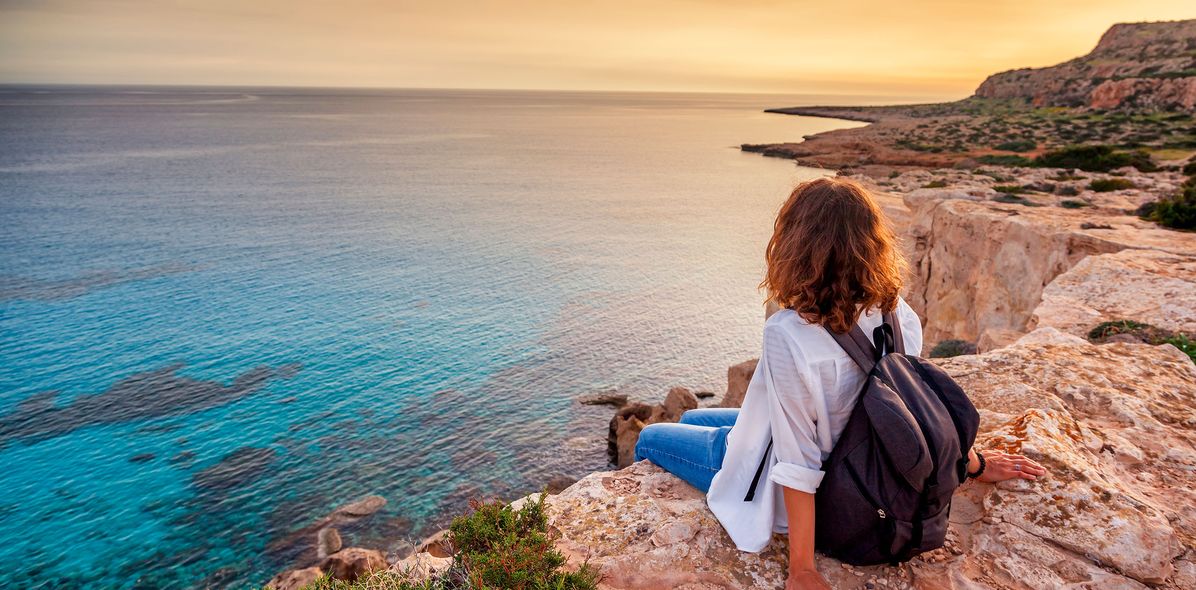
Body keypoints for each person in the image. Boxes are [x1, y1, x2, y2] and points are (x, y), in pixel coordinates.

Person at [634, 177, 1047, 590]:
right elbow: (915, 403)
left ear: (796, 246)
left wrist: (802, 569)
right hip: (860, 454)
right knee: (692, 413)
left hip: (817, 480)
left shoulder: (789, 333)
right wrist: (973, 464)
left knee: (649, 437)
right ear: (872, 244)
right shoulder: (898, 314)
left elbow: (798, 460)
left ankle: (709, 455)